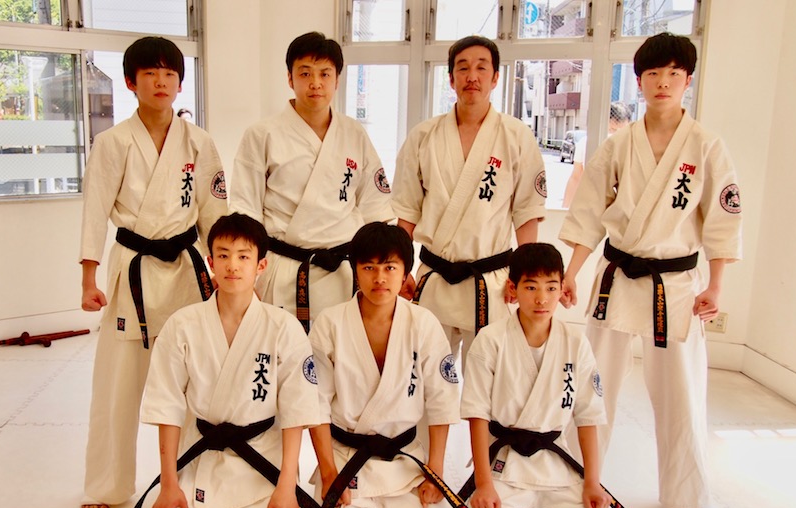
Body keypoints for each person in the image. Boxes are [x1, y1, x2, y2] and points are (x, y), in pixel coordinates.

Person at [559, 32, 742, 508]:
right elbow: (589, 212)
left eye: (673, 74)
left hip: (676, 284)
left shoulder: (706, 146)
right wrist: (571, 273)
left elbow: (722, 220)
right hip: (618, 278)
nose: (663, 83)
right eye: (653, 74)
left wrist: (716, 285)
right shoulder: (618, 145)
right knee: (594, 382)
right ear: (639, 81)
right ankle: (573, 478)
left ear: (688, 80)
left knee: (682, 389)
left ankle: (689, 493)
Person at [79, 36, 228, 508]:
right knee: (118, 385)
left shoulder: (198, 142)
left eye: (169, 74)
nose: (161, 82)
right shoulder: (112, 142)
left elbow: (214, 213)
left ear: (180, 83)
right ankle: (106, 485)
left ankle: (194, 478)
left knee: (194, 380)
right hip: (133, 272)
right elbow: (94, 211)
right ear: (130, 82)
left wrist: (226, 270)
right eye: (150, 73)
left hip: (184, 269)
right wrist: (88, 279)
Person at [130, 213, 320, 508]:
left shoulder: (284, 327)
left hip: (263, 461)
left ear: (261, 265)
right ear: (210, 261)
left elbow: (297, 412)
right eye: (223, 255)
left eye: (244, 256)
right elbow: (167, 409)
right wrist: (169, 484)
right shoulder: (181, 326)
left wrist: (286, 487)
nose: (233, 265)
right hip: (201, 458)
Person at [308, 222, 466, 508]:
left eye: (390, 268)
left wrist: (436, 470)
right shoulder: (330, 324)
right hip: (346, 458)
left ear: (405, 272)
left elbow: (442, 400)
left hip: (403, 459)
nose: (379, 278)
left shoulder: (423, 323)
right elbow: (315, 403)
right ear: (355, 270)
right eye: (369, 268)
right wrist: (328, 471)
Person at [460, 243, 620, 508]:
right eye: (531, 287)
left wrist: (592, 482)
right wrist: (483, 484)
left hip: (553, 459)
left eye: (551, 287)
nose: (542, 298)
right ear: (513, 289)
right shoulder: (490, 340)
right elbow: (477, 416)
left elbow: (588, 416)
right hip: (504, 462)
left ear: (562, 289)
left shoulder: (576, 342)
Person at [392, 35, 546, 362]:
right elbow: (407, 211)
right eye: (462, 68)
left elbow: (527, 212)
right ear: (451, 78)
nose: (471, 76)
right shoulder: (424, 136)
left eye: (481, 68)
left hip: (490, 282)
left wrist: (525, 276)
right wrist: (401, 268)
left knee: (488, 376)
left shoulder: (516, 136)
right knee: (426, 372)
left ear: (495, 77)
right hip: (435, 278)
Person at [231, 31, 394, 333]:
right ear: (290, 78)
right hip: (284, 269)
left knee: (342, 351)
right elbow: (246, 210)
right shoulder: (262, 134)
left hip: (342, 271)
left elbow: (376, 208)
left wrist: (386, 266)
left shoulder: (354, 133)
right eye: (305, 73)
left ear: (337, 79)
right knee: (281, 350)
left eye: (325, 74)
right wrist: (245, 273)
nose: (316, 83)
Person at [562, 102, 631, 208]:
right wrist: (565, 208)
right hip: (590, 207)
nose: (613, 135)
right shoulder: (586, 143)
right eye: (612, 130)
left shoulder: (632, 146)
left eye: (620, 131)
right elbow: (576, 177)